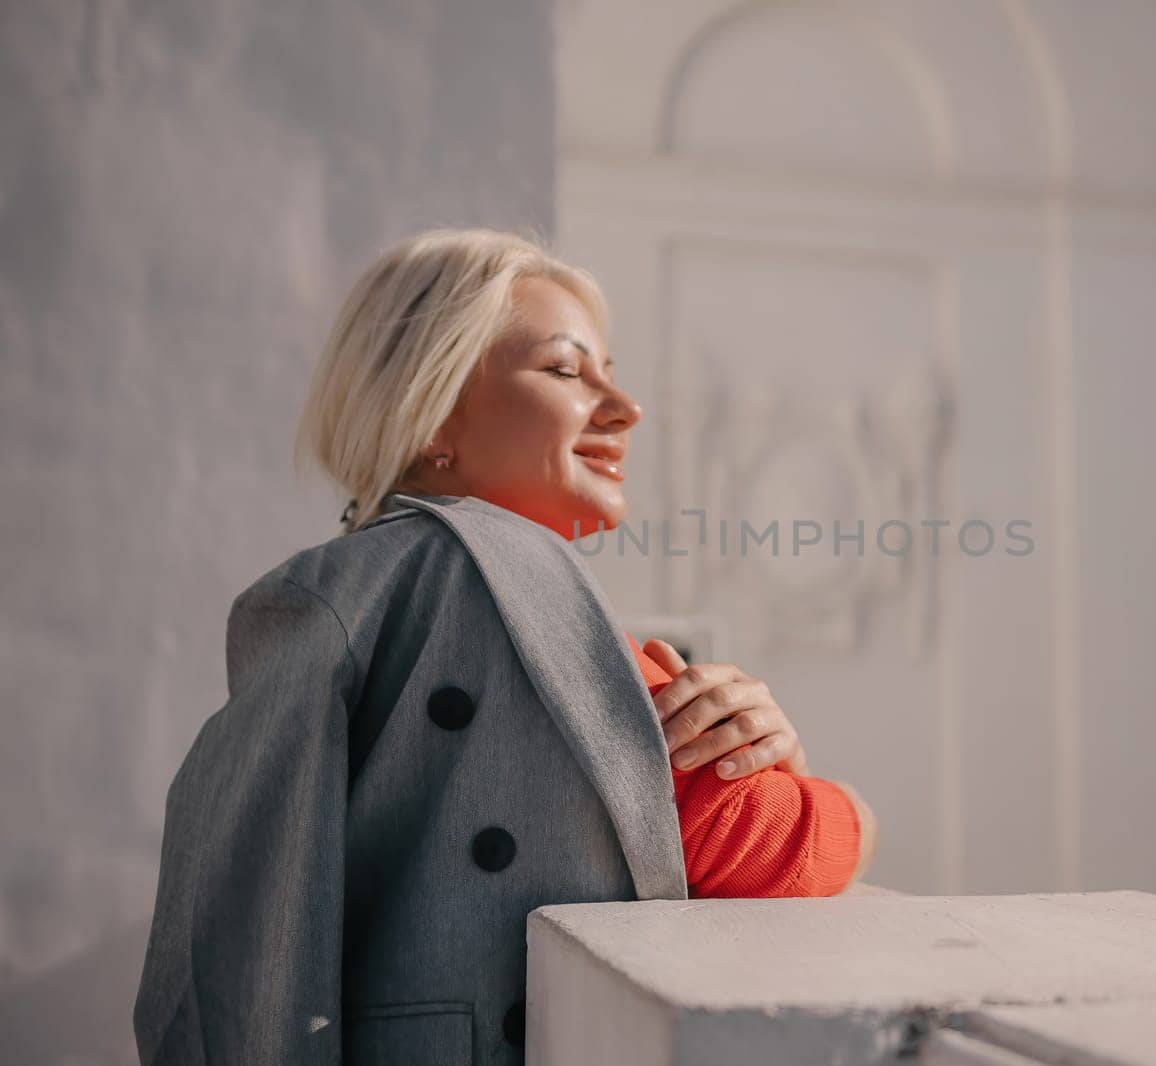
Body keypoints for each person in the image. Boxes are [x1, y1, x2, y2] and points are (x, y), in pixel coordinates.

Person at [133, 227, 878, 1066]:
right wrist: (837, 796)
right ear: (430, 412)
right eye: (565, 370)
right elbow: (770, 841)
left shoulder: (339, 588)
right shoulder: (520, 585)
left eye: (610, 371)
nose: (624, 407)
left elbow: (224, 928)